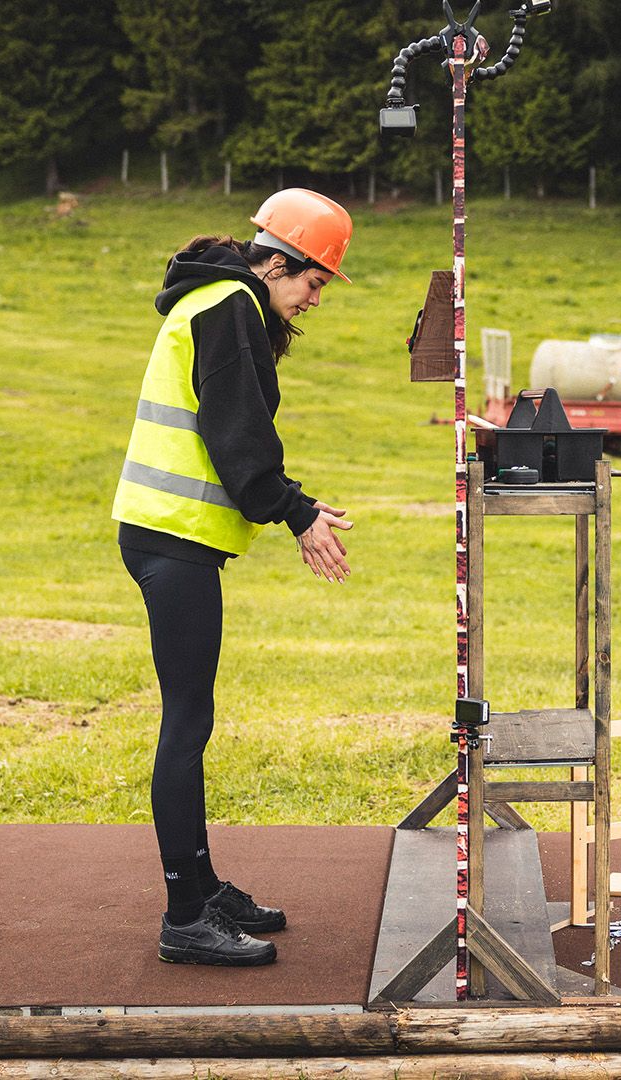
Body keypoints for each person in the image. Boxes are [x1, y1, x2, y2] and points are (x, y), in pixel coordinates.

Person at [112, 189, 357, 967]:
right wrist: (293, 513)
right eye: (313, 282)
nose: (313, 300)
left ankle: (205, 885)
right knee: (186, 725)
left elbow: (235, 425)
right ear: (277, 260)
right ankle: (186, 915)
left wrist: (296, 501)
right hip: (172, 541)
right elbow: (237, 432)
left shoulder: (219, 298)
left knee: (193, 719)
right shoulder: (229, 305)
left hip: (173, 540)